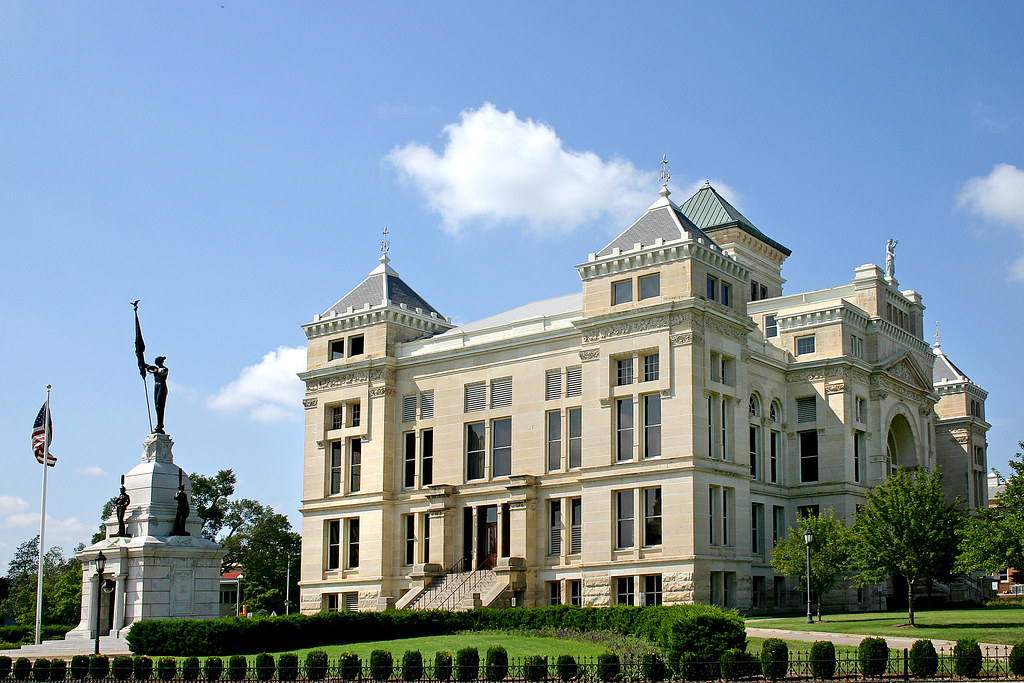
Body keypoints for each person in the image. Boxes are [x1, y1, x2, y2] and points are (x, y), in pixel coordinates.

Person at [145, 356, 169, 434]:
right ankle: (159, 424)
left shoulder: (164, 369)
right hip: (156, 386)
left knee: (160, 406)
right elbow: (146, 366)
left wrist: (154, 369)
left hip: (162, 386)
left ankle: (160, 424)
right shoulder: (155, 368)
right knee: (157, 406)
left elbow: (162, 373)